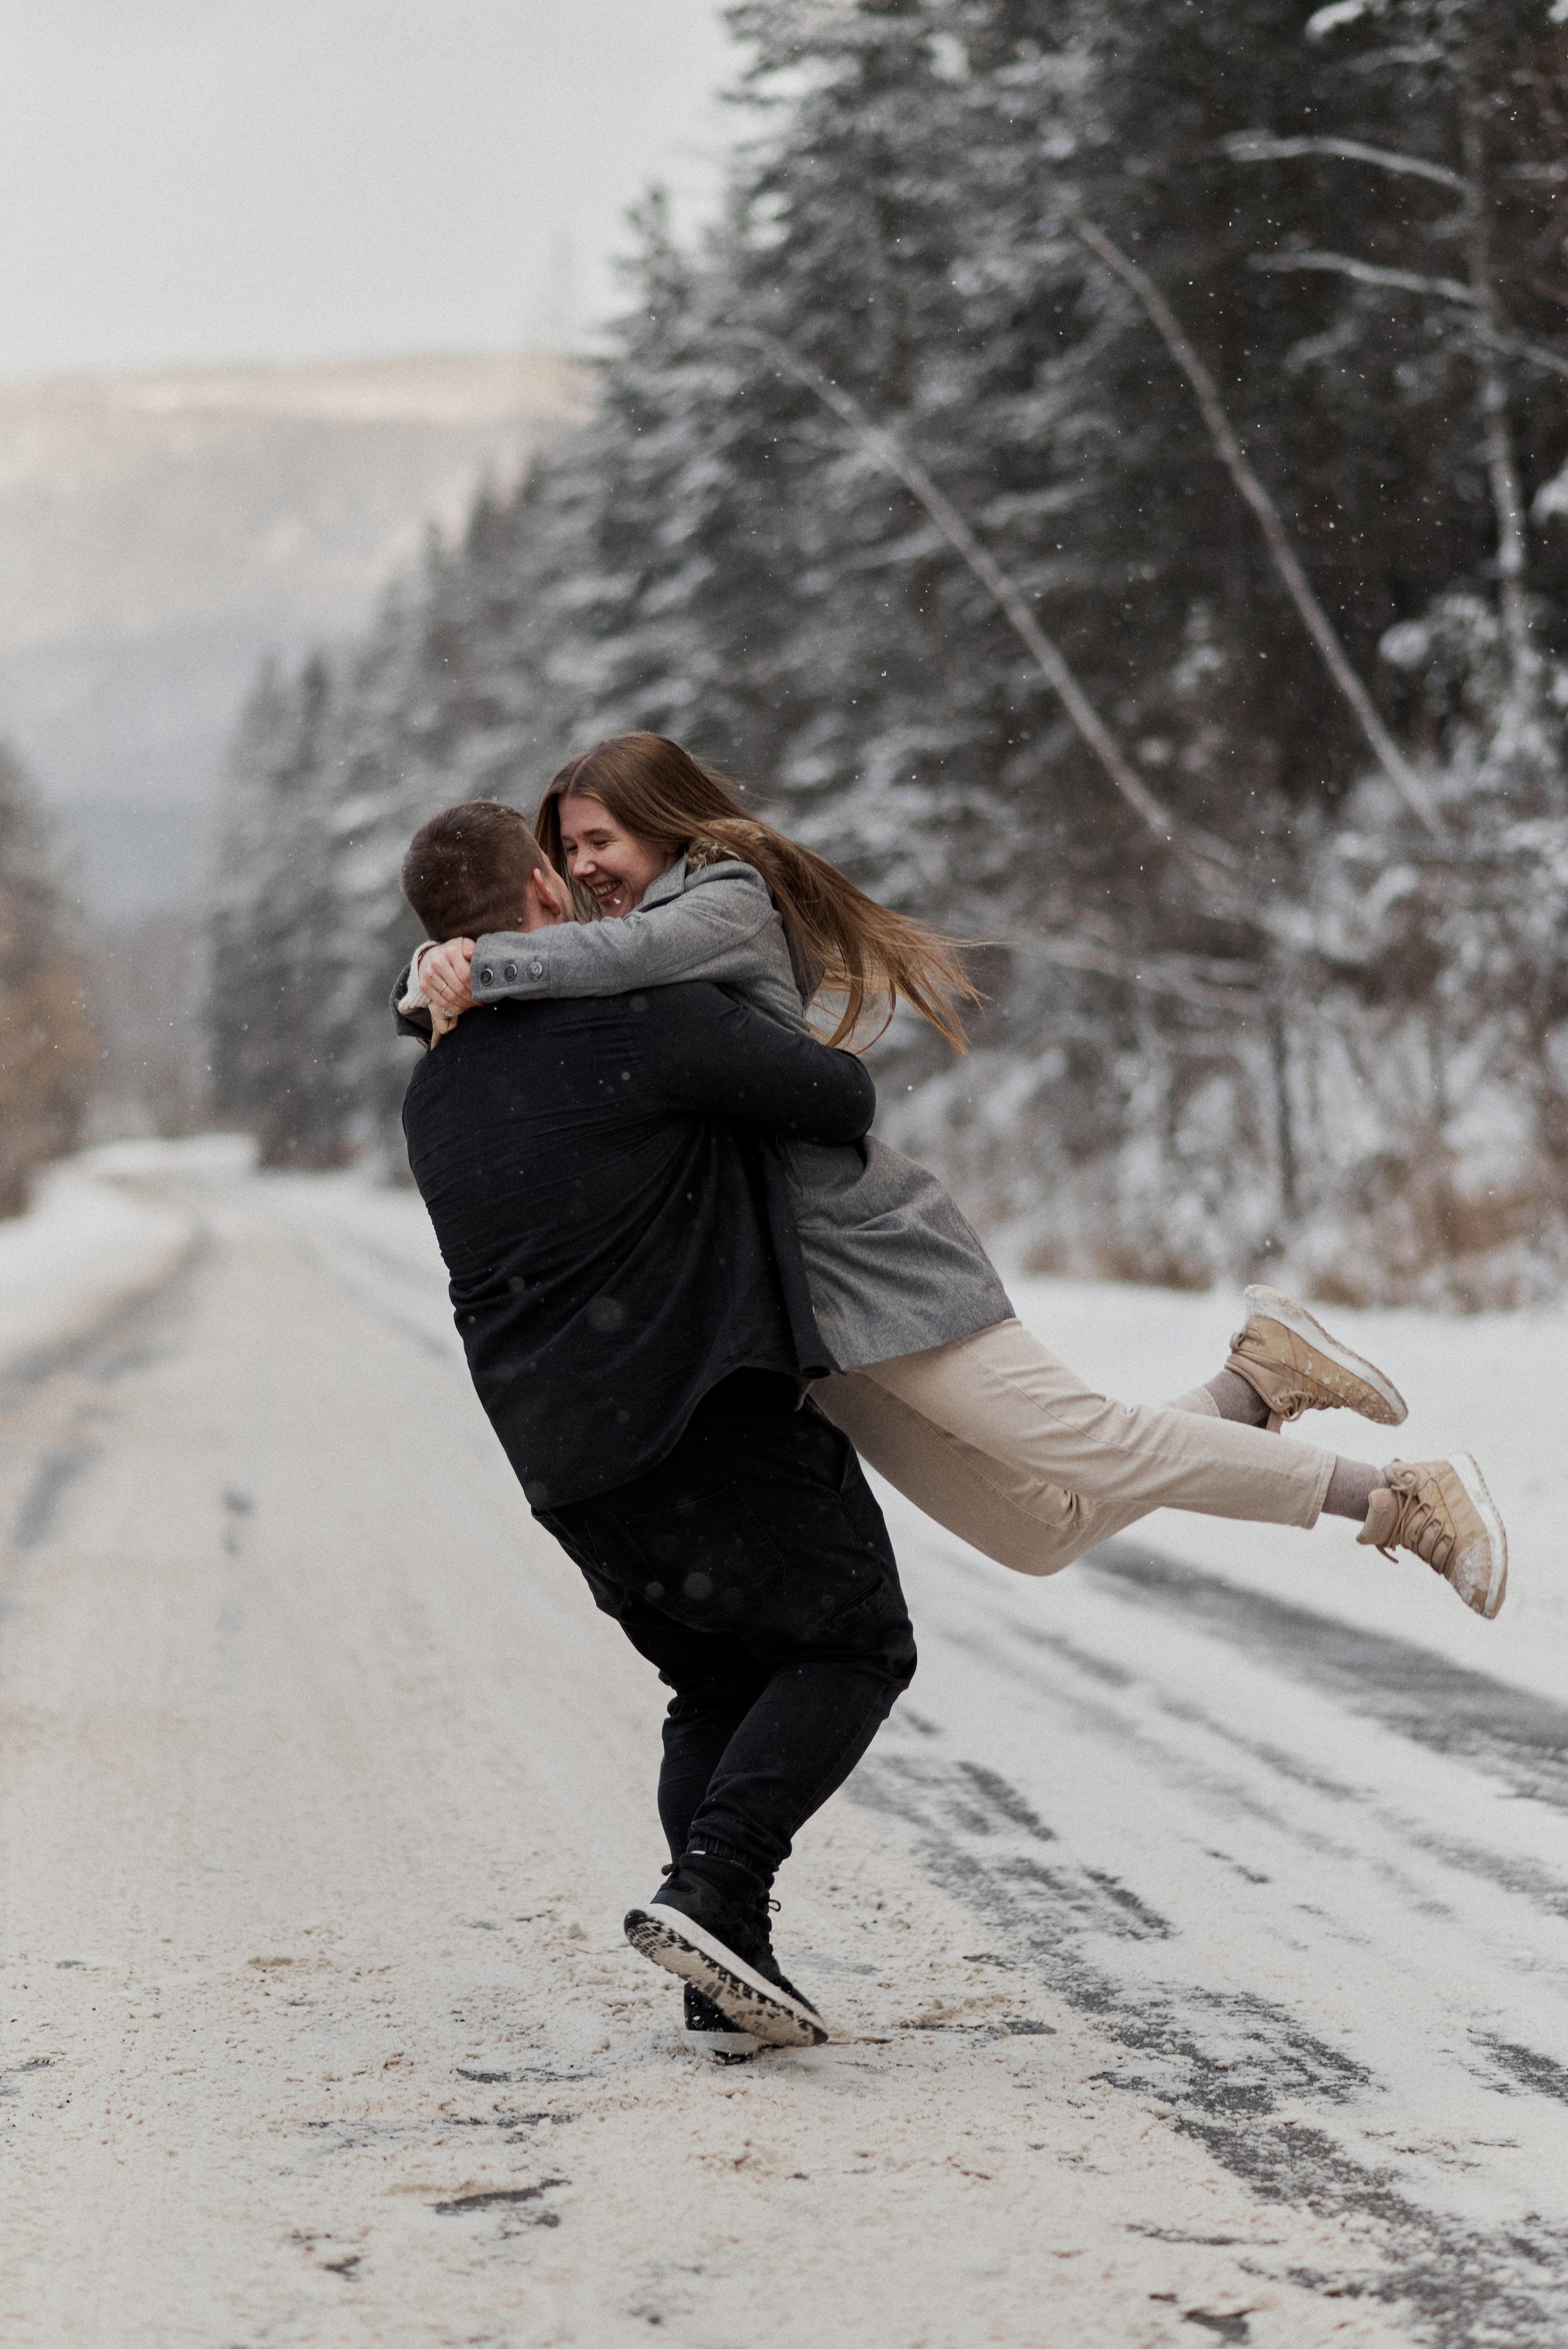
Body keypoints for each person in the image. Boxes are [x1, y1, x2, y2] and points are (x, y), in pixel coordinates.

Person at [404, 732, 1509, 1624]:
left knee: (1086, 1438)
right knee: (1036, 1529)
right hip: (798, 1311)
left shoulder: (716, 900)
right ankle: (1258, 1386)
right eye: (570, 850)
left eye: (600, 840)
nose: (587, 866)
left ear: (662, 820)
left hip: (867, 1255)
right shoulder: (620, 950)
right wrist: (430, 980)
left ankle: (1401, 1498)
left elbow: (616, 964)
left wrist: (469, 964)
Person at [397, 797, 919, 2051]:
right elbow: (837, 1097)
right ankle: (716, 1887)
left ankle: (719, 1974)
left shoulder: (436, 1088)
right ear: (536, 892)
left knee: (714, 1681)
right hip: (703, 1413)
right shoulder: (642, 1018)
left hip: (563, 1463)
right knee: (853, 1645)